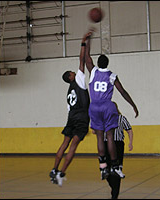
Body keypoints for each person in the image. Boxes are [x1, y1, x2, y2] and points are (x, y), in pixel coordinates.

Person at [85, 30, 139, 180]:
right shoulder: (112, 75)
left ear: (98, 64)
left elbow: (86, 58)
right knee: (110, 137)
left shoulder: (93, 71)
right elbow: (123, 92)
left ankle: (103, 168)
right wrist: (133, 105)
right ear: (107, 64)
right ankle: (115, 167)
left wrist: (88, 40)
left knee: (99, 138)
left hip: (94, 106)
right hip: (108, 106)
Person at [49, 31, 92, 187]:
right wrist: (83, 41)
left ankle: (54, 169)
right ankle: (61, 173)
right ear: (70, 77)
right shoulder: (79, 80)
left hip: (71, 117)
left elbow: (69, 109)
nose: (75, 71)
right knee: (73, 146)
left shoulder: (69, 92)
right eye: (72, 72)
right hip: (81, 117)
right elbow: (81, 59)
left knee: (64, 144)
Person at [105, 102, 134, 199]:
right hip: (106, 144)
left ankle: (115, 194)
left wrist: (130, 142)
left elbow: (129, 129)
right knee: (106, 170)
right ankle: (114, 188)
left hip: (118, 145)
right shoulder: (104, 118)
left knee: (116, 170)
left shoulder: (121, 118)